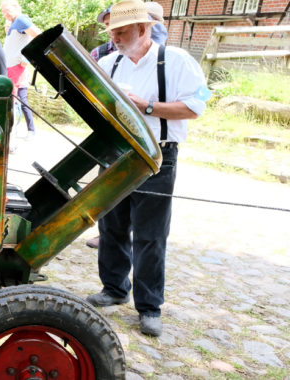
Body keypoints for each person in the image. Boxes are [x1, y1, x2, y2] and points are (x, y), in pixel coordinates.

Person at [87, 0, 208, 337]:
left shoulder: (177, 61)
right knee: (110, 226)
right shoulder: (108, 63)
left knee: (150, 235)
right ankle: (114, 288)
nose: (115, 39)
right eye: (112, 33)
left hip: (159, 156)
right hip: (116, 154)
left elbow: (196, 106)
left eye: (122, 32)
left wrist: (147, 106)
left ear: (143, 29)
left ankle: (150, 306)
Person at [0, 0, 39, 137]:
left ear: (16, 7)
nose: (5, 14)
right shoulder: (14, 22)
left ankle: (13, 133)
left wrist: (27, 59)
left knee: (14, 100)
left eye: (7, 11)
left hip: (16, 67)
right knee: (13, 99)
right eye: (3, 12)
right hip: (10, 67)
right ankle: (13, 132)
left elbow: (38, 36)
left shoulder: (22, 20)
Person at [90, 2, 168, 61]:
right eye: (107, 24)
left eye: (120, 32)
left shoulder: (172, 61)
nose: (115, 39)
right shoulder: (106, 62)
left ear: (141, 29)